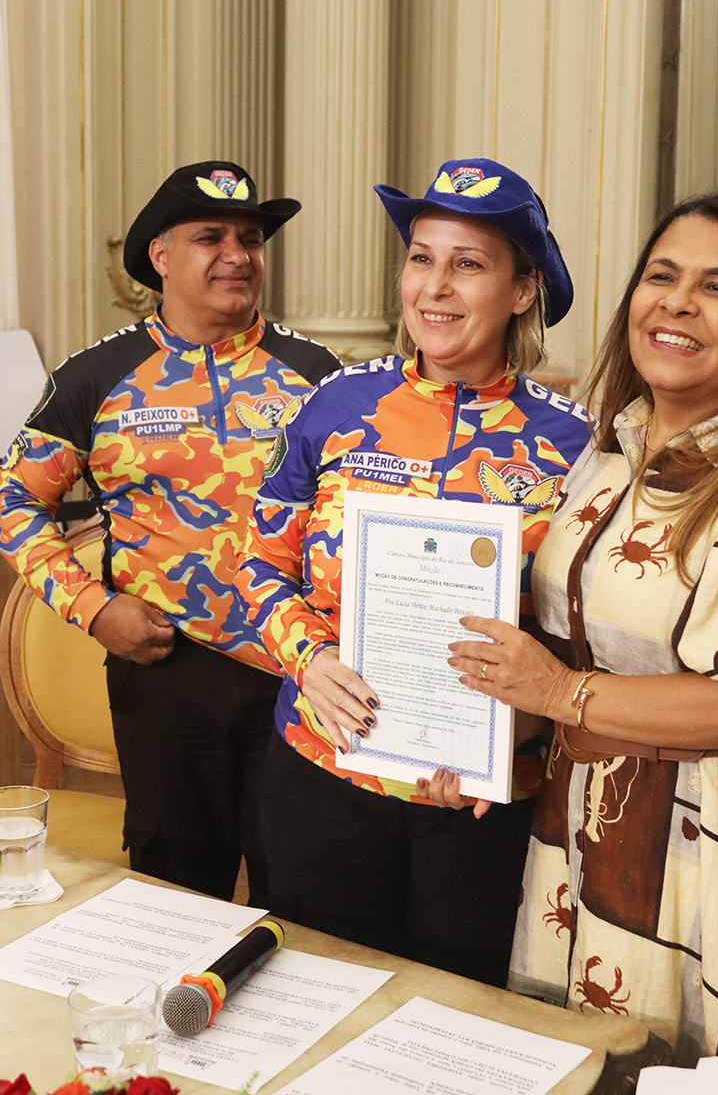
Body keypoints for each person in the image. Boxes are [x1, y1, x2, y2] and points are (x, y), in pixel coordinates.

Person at [445, 194, 718, 1063]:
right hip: (578, 828)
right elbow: (567, 651)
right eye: (661, 276)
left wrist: (559, 694)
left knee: (683, 1067)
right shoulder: (604, 457)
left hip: (708, 848)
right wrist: (491, 733)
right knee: (575, 1061)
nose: (676, 302)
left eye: (717, 288)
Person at [235, 157, 591, 986]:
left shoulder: (581, 446)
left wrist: (517, 733)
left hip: (478, 805)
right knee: (314, 1007)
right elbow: (258, 562)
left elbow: (595, 635)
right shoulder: (336, 405)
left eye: (468, 264)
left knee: (453, 1027)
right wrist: (307, 659)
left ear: (523, 289)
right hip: (324, 772)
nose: (436, 285)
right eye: (422, 257)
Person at [0, 160, 339, 903]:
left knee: (306, 890)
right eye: (210, 237)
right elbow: (15, 504)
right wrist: (94, 608)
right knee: (177, 895)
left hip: (299, 674)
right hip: (166, 670)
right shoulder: (97, 377)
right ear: (160, 256)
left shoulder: (315, 372)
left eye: (249, 238)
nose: (237, 254)